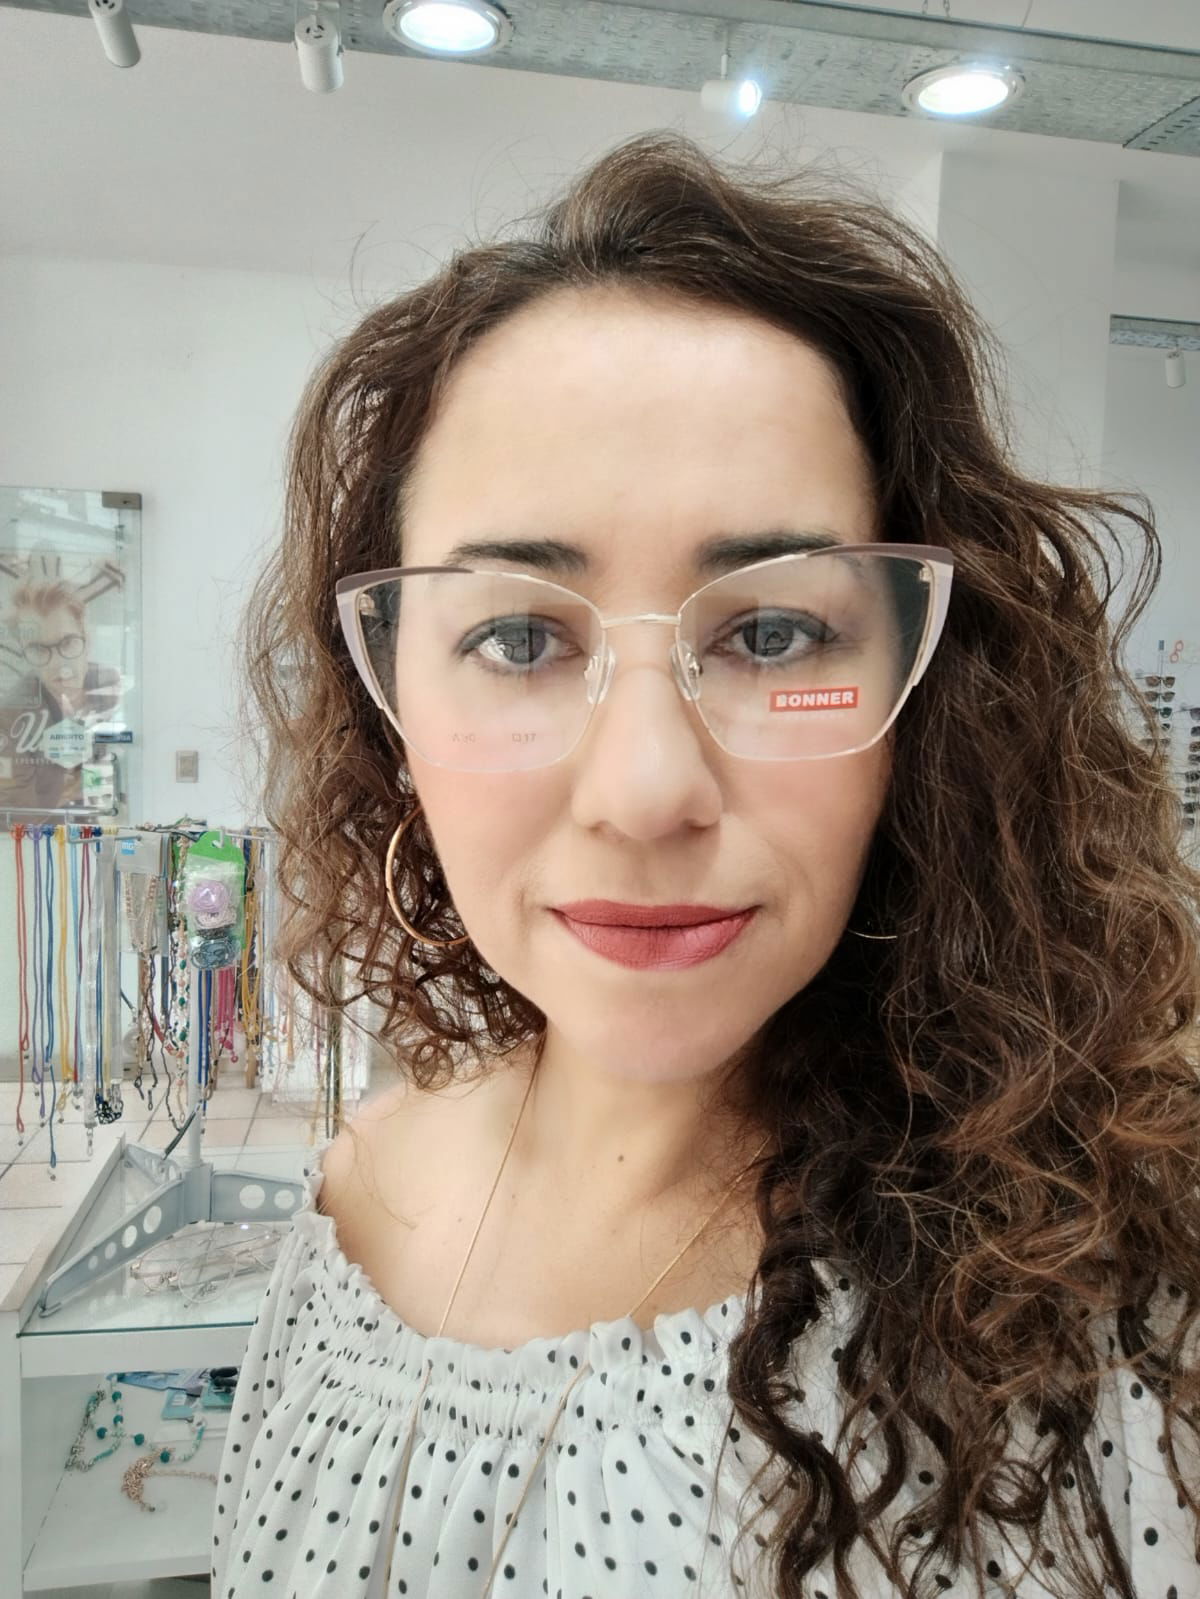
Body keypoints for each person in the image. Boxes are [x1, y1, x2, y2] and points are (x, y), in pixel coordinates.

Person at [212, 132, 1200, 1599]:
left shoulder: (1108, 1314)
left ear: (925, 701)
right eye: (519, 638)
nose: (644, 792)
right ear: (391, 709)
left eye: (773, 632)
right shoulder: (352, 1207)